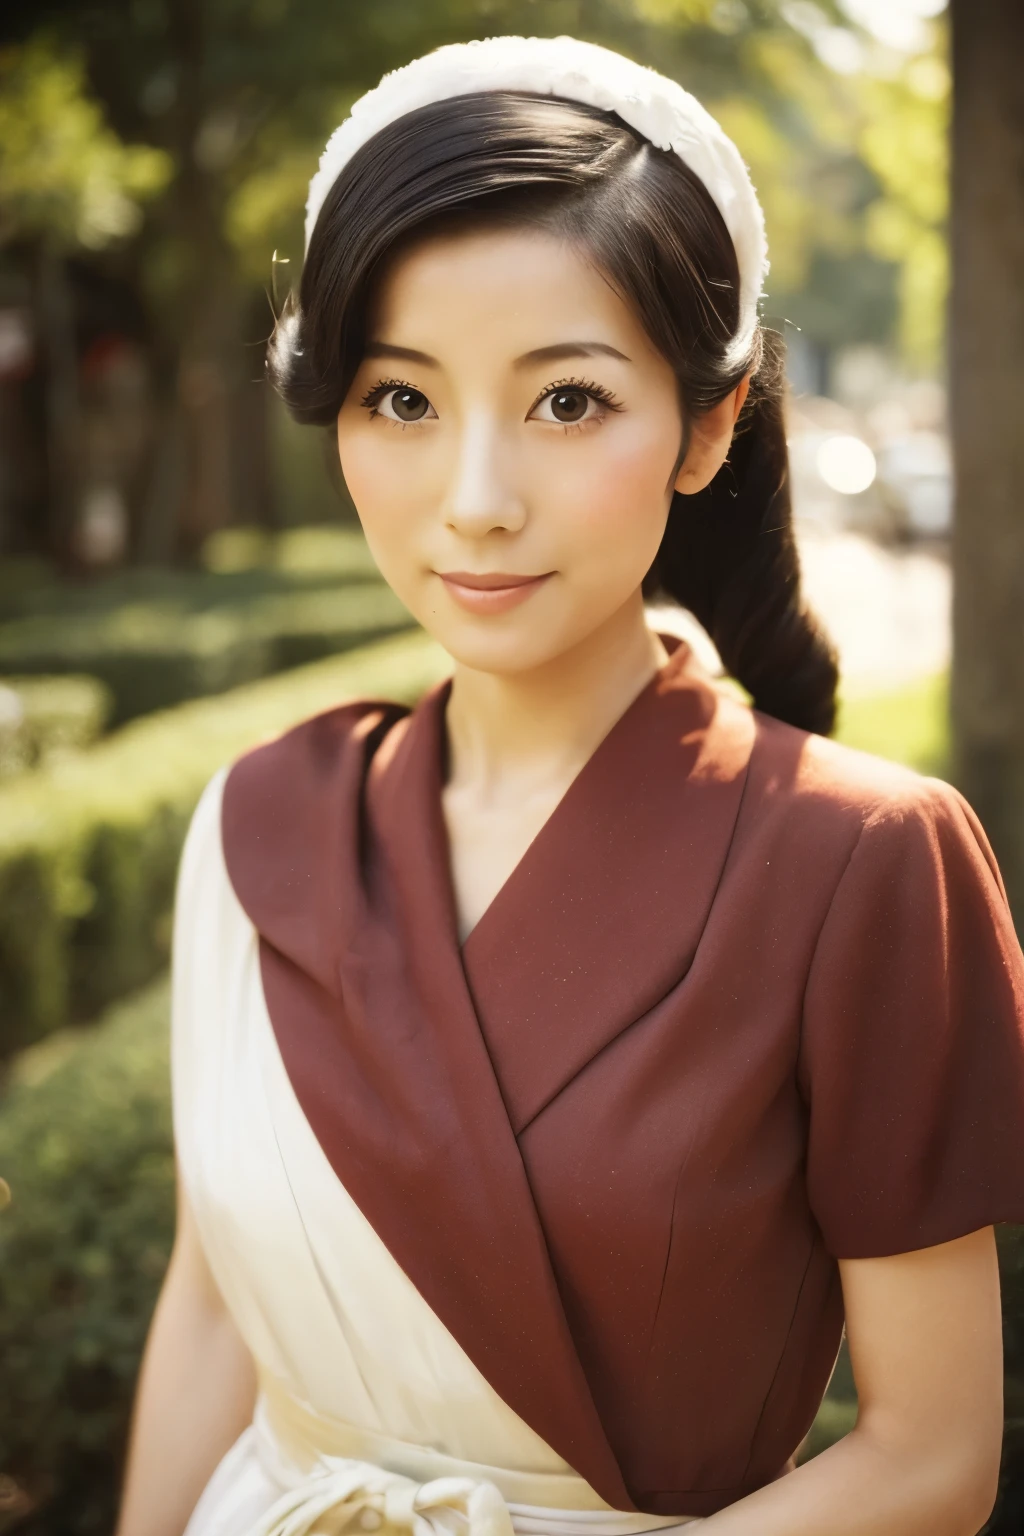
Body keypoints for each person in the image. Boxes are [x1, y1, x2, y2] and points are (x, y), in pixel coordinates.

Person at [115, 34, 1024, 1536]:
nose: (473, 500)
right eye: (402, 402)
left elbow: (932, 1456)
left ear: (708, 425)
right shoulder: (258, 823)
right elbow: (213, 1311)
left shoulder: (869, 862)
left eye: (568, 403)